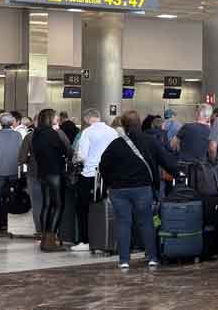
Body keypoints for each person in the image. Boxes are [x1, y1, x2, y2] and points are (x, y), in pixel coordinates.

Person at [98, 112, 167, 269]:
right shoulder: (150, 141)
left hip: (118, 191)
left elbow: (103, 166)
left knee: (123, 223)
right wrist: (178, 175)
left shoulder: (116, 144)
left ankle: (124, 260)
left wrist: (110, 183)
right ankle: (152, 257)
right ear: (140, 123)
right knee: (146, 223)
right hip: (142, 189)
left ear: (123, 125)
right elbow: (166, 160)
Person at [70, 108, 116, 251]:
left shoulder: (87, 132)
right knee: (106, 208)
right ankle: (106, 240)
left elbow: (82, 155)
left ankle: (85, 241)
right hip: (109, 175)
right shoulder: (112, 132)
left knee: (82, 208)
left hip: (90, 175)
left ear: (87, 119)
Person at [33, 109, 71, 251]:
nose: (57, 118)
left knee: (47, 205)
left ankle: (43, 237)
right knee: (58, 205)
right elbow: (64, 150)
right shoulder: (52, 134)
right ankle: (50, 240)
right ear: (50, 118)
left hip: (42, 173)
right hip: (54, 172)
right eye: (55, 116)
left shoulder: (36, 134)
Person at [0, 112, 23, 233]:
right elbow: (21, 152)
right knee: (13, 196)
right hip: (13, 170)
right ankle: (12, 224)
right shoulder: (17, 135)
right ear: (12, 122)